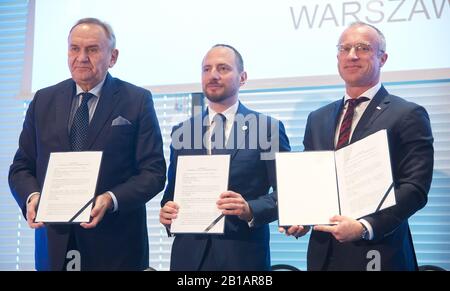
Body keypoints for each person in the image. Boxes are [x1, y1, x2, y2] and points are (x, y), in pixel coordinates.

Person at [8, 18, 166, 271]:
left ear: (112, 57)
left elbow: (154, 173)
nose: (81, 57)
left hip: (116, 248)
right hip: (54, 246)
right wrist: (32, 196)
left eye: (92, 49)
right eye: (74, 48)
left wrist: (110, 198)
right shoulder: (43, 100)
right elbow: (21, 166)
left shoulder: (136, 100)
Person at [281, 21, 433, 271]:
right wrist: (300, 217)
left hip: (379, 252)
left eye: (362, 48)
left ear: (382, 58)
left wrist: (365, 227)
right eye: (345, 48)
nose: (352, 55)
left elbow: (414, 188)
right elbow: (314, 182)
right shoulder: (317, 118)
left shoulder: (407, 114)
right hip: (323, 254)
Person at [159, 44, 291, 271]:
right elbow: (172, 194)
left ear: (243, 78)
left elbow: (289, 192)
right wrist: (167, 212)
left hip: (242, 256)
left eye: (223, 68)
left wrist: (250, 209)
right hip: (188, 259)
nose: (213, 75)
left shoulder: (267, 128)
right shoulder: (182, 131)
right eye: (206, 69)